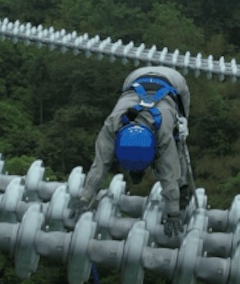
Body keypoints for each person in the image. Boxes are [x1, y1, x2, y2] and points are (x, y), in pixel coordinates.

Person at [71, 66, 193, 237]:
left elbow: (169, 173)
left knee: (178, 142)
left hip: (174, 84)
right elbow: (99, 165)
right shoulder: (113, 125)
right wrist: (85, 199)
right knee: (171, 153)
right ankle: (138, 168)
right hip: (135, 80)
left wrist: (173, 213)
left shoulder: (162, 133)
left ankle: (183, 190)